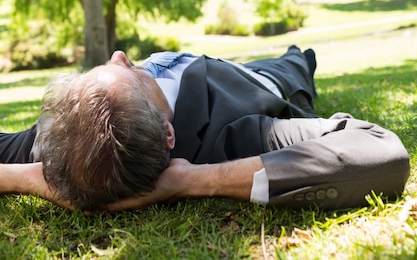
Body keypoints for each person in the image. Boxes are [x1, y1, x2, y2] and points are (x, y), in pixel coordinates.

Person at [0, 45, 410, 213]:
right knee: (295, 60)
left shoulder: (61, 137)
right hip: (259, 80)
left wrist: (29, 176)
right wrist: (190, 180)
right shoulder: (233, 134)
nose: (120, 54)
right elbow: (381, 156)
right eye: (130, 74)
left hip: (199, 60)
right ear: (168, 136)